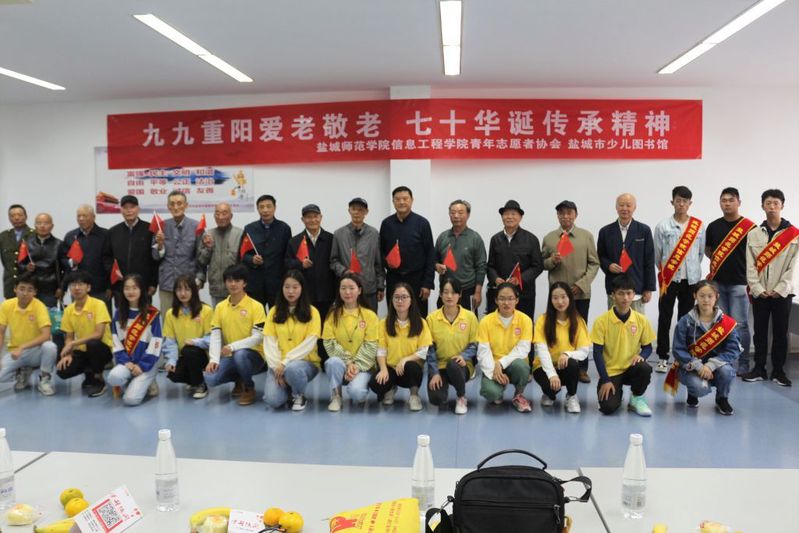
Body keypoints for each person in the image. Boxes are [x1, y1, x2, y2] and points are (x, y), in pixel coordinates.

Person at [743, 189, 799, 387]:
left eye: (776, 203)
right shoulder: (754, 234)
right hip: (761, 293)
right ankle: (759, 368)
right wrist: (757, 288)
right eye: (768, 203)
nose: (772, 207)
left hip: (782, 293)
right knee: (759, 332)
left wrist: (781, 288)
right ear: (762, 206)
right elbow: (750, 265)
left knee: (780, 332)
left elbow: (794, 266)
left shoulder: (794, 235)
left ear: (782, 205)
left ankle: (778, 371)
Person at [541, 200, 599, 384]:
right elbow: (542, 263)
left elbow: (594, 263)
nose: (565, 216)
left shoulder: (586, 236)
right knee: (554, 327)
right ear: (557, 216)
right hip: (557, 296)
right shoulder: (550, 238)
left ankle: (581, 369)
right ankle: (553, 363)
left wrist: (582, 284)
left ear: (576, 215)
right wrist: (552, 261)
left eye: (569, 213)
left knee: (579, 328)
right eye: (562, 213)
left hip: (580, 293)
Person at [704, 187, 755, 376]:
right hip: (718, 284)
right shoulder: (713, 226)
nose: (727, 203)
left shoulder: (750, 228)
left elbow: (755, 255)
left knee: (740, 325)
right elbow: (708, 251)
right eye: (723, 200)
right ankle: (725, 361)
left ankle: (743, 362)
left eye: (731, 200)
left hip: (740, 283)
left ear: (739, 202)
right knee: (721, 324)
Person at [654, 186, 705, 373]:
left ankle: (682, 357)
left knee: (686, 320)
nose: (681, 204)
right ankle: (662, 357)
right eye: (678, 200)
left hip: (690, 281)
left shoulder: (698, 226)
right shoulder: (662, 226)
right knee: (664, 317)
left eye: (685, 201)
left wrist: (691, 270)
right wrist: (667, 271)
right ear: (672, 202)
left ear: (690, 203)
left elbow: (700, 254)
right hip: (669, 280)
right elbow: (657, 255)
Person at [668, 281, 739, 415]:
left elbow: (733, 349)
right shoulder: (685, 321)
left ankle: (722, 398)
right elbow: (678, 349)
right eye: (702, 296)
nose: (706, 300)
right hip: (691, 368)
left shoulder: (726, 322)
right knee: (699, 387)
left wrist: (711, 365)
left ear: (716, 296)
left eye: (710, 296)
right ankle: (693, 393)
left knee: (728, 372)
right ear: (695, 296)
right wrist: (699, 367)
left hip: (717, 366)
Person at [592, 274, 655, 416]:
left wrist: (641, 355)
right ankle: (617, 395)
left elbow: (648, 347)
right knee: (608, 408)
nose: (625, 298)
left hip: (631, 368)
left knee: (644, 368)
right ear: (613, 295)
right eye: (621, 293)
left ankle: (636, 398)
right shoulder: (601, 321)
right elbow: (597, 353)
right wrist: (605, 380)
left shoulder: (641, 320)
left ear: (634, 295)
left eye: (629, 293)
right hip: (611, 372)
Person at [204, 264, 267, 405]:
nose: (233, 284)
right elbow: (215, 335)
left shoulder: (256, 306)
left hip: (254, 356)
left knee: (240, 354)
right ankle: (239, 379)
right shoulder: (220, 307)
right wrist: (213, 359)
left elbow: (258, 337)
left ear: (244, 283)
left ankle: (249, 387)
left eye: (237, 280)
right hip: (231, 355)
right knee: (210, 378)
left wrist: (233, 346)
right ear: (225, 282)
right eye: (229, 280)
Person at [263, 270, 321, 410]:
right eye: (287, 287)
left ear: (302, 288)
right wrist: (277, 367)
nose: (290, 291)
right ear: (282, 288)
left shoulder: (312, 312)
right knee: (273, 401)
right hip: (278, 364)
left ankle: (298, 395)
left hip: (305, 363)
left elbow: (309, 344)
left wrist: (285, 363)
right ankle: (289, 386)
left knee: (293, 369)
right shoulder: (274, 312)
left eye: (295, 287)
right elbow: (269, 342)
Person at [369, 282, 432, 411]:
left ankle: (414, 395)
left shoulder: (421, 323)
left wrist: (404, 360)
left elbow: (423, 351)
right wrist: (383, 369)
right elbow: (381, 351)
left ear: (411, 300)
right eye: (396, 297)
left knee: (411, 366)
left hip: (410, 370)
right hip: (391, 368)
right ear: (391, 300)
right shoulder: (383, 323)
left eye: (404, 297)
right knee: (375, 384)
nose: (400, 301)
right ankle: (391, 387)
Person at [321, 273, 379, 411]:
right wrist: (348, 362)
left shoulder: (370, 315)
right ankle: (336, 396)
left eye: (351, 288)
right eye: (343, 288)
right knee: (332, 362)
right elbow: (329, 343)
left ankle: (360, 386)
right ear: (339, 291)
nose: (347, 292)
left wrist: (356, 366)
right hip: (342, 364)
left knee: (357, 393)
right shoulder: (332, 315)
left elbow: (371, 345)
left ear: (359, 290)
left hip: (363, 367)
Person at [284, 204, 336, 351]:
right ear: (302, 220)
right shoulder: (295, 241)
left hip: (327, 294)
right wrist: (300, 264)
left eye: (315, 216)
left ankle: (324, 358)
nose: (312, 220)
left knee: (326, 329)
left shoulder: (331, 239)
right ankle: (307, 357)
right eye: (308, 217)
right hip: (304, 295)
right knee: (305, 329)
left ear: (321, 217)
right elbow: (287, 263)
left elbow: (336, 263)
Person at [532, 282, 590, 414]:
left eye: (563, 297)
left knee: (572, 363)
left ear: (570, 298)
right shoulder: (542, 320)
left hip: (565, 365)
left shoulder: (578, 321)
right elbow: (542, 351)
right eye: (555, 298)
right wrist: (552, 375)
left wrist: (567, 354)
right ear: (550, 300)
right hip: (544, 367)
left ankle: (571, 396)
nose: (560, 301)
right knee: (551, 389)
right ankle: (549, 394)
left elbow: (584, 351)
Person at [106, 274, 163, 406]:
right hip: (128, 362)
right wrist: (125, 361)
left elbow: (156, 343)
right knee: (113, 377)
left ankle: (149, 381)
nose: (130, 292)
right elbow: (115, 341)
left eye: (134, 288)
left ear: (142, 290)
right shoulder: (119, 313)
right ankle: (131, 379)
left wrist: (142, 365)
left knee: (130, 400)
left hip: (147, 363)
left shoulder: (152, 314)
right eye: (127, 288)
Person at [476, 282, 533, 412]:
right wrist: (494, 372)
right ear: (496, 300)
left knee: (522, 367)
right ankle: (498, 388)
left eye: (510, 298)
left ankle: (518, 395)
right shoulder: (486, 321)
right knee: (491, 393)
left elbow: (523, 349)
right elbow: (483, 351)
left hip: (513, 363)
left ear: (517, 300)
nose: (506, 303)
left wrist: (501, 363)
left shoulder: (525, 320)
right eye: (502, 299)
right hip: (493, 366)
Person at [379, 186, 435, 317]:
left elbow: (430, 254)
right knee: (394, 316)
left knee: (418, 316)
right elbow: (380, 251)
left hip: (417, 279)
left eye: (405, 198)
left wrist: (427, 283)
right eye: (397, 199)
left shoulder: (422, 223)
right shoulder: (386, 224)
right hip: (394, 278)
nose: (401, 202)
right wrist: (386, 262)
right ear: (393, 201)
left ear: (412, 200)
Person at [55, 271, 113, 397]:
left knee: (93, 344)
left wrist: (72, 344)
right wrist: (68, 354)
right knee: (63, 370)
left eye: (81, 284)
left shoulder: (99, 304)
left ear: (88, 287)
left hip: (101, 349)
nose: (77, 288)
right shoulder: (69, 310)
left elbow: (98, 334)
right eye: (73, 285)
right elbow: (69, 337)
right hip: (82, 350)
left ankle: (98, 378)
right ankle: (89, 373)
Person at [596, 193, 656, 313]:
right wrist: (608, 265)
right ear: (616, 207)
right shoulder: (605, 231)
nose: (624, 208)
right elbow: (600, 256)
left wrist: (649, 288)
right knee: (614, 322)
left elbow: (649, 260)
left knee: (637, 323)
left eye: (628, 205)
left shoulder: (644, 230)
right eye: (621, 205)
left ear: (634, 207)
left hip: (637, 287)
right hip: (614, 288)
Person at [426, 278, 478, 414]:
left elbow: (474, 345)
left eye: (454, 292)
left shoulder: (470, 317)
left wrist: (464, 356)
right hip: (440, 366)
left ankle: (461, 397)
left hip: (461, 365)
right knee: (436, 399)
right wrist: (434, 373)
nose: (449, 296)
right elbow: (430, 350)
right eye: (446, 292)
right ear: (440, 294)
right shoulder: (431, 319)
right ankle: (443, 388)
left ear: (460, 294)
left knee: (453, 365)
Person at [0, 274, 58, 396]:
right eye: (22, 289)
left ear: (35, 292)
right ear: (15, 289)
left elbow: (46, 335)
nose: (25, 293)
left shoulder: (40, 307)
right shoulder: (6, 305)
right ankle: (22, 372)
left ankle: (45, 378)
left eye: (30, 290)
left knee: (50, 347)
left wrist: (22, 347)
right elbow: (1, 332)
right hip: (15, 353)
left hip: (36, 351)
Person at [486, 200, 543, 319]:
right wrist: (495, 278)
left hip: (524, 294)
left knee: (524, 324)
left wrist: (520, 279)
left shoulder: (531, 239)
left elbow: (538, 266)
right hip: (501, 296)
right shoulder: (495, 239)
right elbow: (490, 266)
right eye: (506, 214)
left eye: (513, 214)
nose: (510, 217)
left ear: (520, 217)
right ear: (502, 217)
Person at [163, 275, 213, 399]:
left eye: (187, 289)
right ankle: (193, 380)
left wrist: (195, 342)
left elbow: (212, 339)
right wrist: (171, 360)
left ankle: (200, 384)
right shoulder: (170, 313)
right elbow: (170, 341)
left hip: (203, 355)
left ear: (194, 291)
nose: (183, 293)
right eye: (179, 289)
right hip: (184, 356)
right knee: (173, 374)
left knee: (189, 350)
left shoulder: (206, 310)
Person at [330, 197, 384, 312]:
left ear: (366, 212)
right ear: (349, 211)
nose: (356, 212)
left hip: (369, 289)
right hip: (347, 289)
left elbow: (378, 263)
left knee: (370, 319)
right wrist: (344, 271)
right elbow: (333, 261)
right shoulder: (339, 234)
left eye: (360, 209)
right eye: (354, 209)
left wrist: (380, 286)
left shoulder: (373, 233)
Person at [152, 190, 203, 313]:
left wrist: (200, 279)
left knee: (190, 319)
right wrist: (160, 245)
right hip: (167, 283)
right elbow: (155, 256)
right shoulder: (160, 226)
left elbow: (201, 257)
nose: (176, 207)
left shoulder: (196, 226)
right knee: (167, 319)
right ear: (168, 206)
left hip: (189, 285)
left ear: (186, 205)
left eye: (179, 203)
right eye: (172, 204)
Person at [104, 195, 159, 306]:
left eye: (132, 207)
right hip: (120, 287)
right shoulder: (113, 232)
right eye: (125, 208)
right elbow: (106, 257)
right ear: (121, 210)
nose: (129, 210)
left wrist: (153, 283)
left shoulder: (150, 230)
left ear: (138, 209)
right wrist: (111, 279)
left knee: (143, 316)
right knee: (122, 316)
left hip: (143, 286)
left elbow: (155, 259)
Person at [434, 199, 486, 312]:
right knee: (443, 320)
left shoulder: (475, 238)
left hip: (467, 290)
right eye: (452, 213)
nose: (456, 216)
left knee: (468, 321)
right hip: (446, 291)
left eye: (460, 212)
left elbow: (481, 267)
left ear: (468, 215)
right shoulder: (442, 237)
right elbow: (433, 260)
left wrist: (477, 292)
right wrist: (436, 266)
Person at [241, 194, 292, 307]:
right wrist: (252, 259)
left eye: (269, 206)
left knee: (277, 314)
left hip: (277, 282)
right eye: (262, 207)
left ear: (275, 208)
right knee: (256, 315)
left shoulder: (284, 228)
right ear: (257, 209)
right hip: (255, 282)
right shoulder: (249, 228)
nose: (265, 210)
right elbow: (243, 254)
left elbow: (288, 256)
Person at [60, 205, 109, 304]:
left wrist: (110, 287)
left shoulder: (105, 235)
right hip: (78, 288)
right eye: (79, 216)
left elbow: (110, 262)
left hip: (100, 289)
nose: (81, 219)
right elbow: (63, 259)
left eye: (85, 216)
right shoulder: (71, 236)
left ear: (93, 217)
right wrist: (71, 262)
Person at [197, 202, 243, 307]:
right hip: (216, 288)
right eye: (217, 214)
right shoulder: (208, 235)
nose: (221, 217)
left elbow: (244, 263)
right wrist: (208, 248)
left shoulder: (239, 234)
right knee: (218, 316)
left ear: (231, 216)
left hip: (235, 288)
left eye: (224, 213)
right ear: (214, 216)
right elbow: (202, 261)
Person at [22, 213, 64, 308]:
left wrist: (62, 288)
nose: (42, 226)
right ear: (35, 226)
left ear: (52, 226)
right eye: (39, 223)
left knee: (49, 315)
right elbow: (20, 264)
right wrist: (26, 267)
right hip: (30, 288)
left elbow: (65, 270)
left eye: (46, 223)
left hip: (50, 290)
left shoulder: (59, 245)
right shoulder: (27, 243)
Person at [0, 204, 34, 299]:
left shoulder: (34, 234)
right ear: (9, 218)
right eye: (12, 216)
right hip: (10, 284)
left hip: (29, 283)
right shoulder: (3, 236)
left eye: (19, 215)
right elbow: (5, 261)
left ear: (26, 216)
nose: (16, 218)